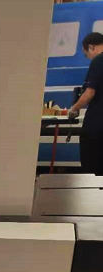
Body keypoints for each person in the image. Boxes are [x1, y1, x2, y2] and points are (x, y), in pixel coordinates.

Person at [69, 32, 103, 175]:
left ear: (91, 47)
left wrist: (74, 109)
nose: (88, 58)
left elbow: (90, 92)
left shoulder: (99, 60)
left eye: (86, 54)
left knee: (92, 167)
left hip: (97, 125)